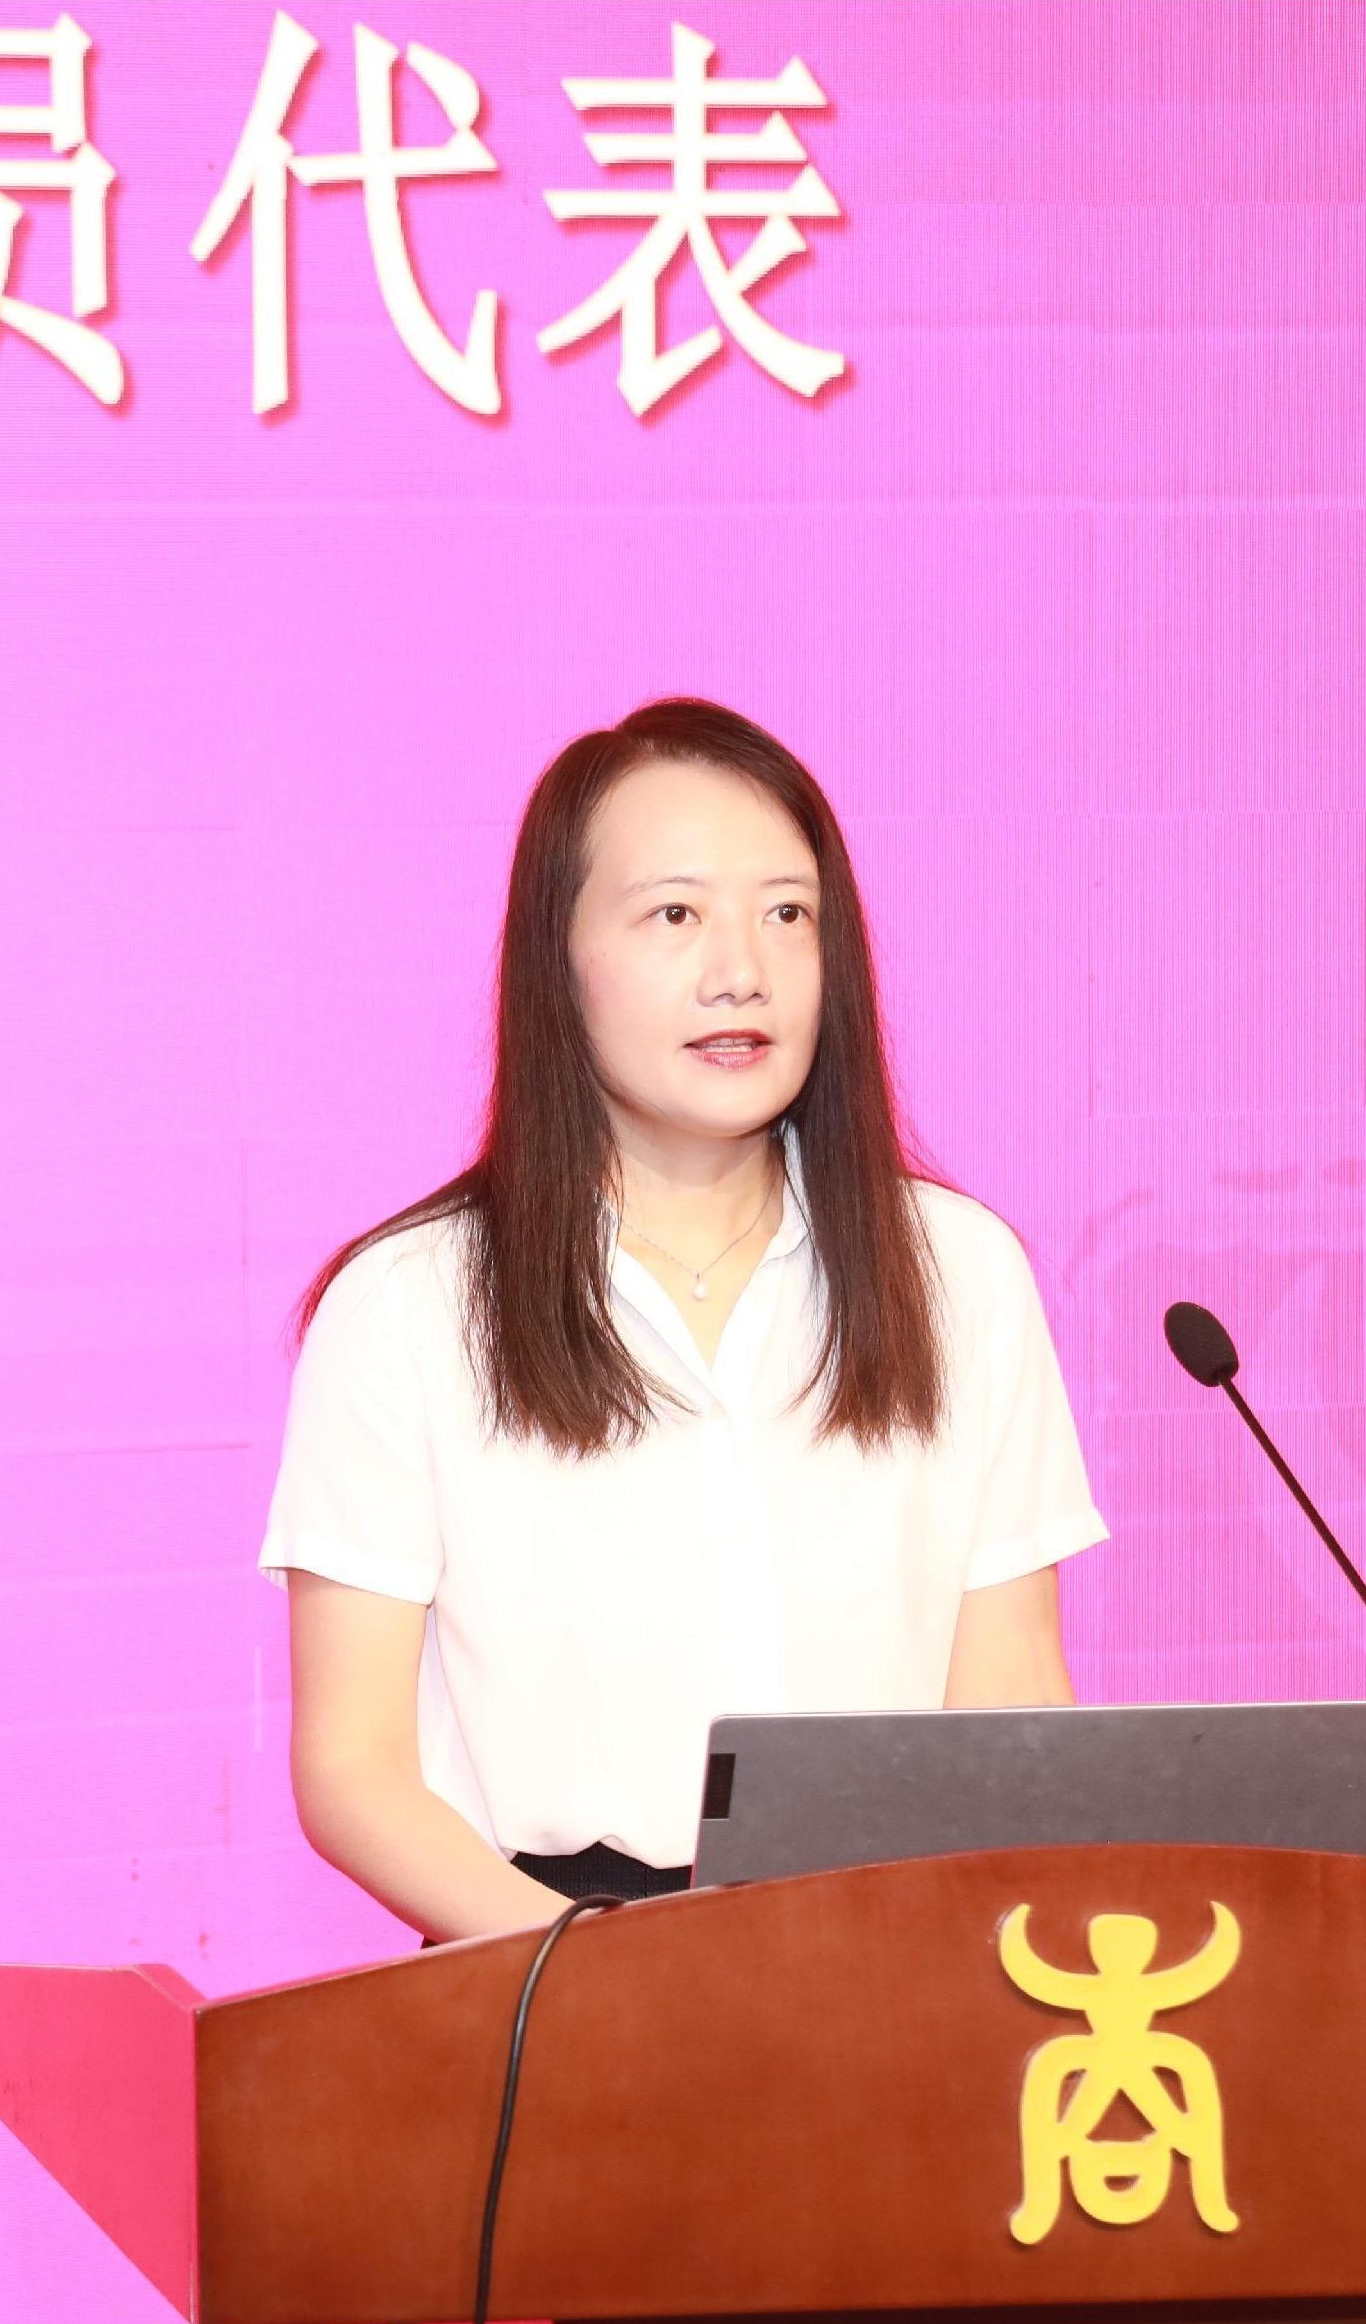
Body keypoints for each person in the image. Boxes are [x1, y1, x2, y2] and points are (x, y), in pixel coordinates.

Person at [258, 698, 1109, 1944]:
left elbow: (1014, 1695)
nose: (741, 971)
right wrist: (614, 1982)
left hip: (890, 1962)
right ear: (558, 957)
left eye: (787, 913)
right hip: (549, 1967)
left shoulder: (959, 1272)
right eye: (676, 914)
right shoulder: (408, 1304)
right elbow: (354, 1769)